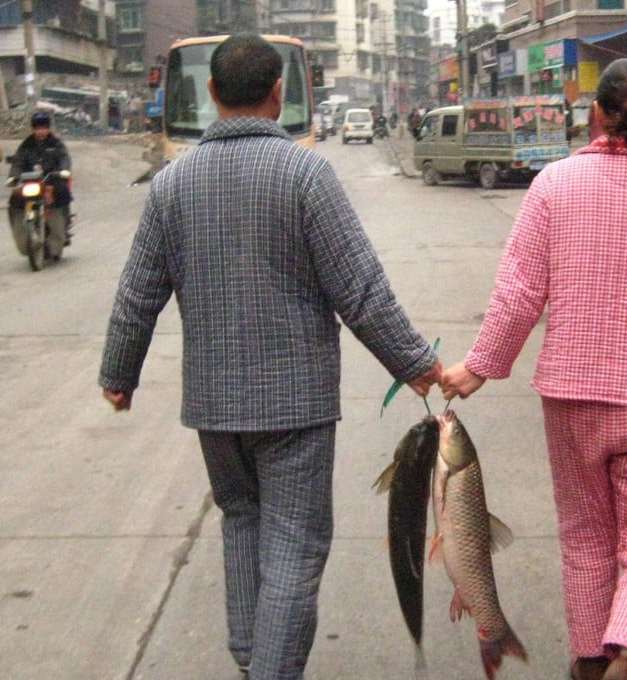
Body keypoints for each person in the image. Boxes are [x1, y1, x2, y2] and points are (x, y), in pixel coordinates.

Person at [97, 34, 441, 680]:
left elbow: (137, 292)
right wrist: (417, 364)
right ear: (279, 94)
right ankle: (269, 670)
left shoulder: (172, 184)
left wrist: (119, 374)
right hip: (296, 407)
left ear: (212, 95)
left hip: (215, 406)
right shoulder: (306, 175)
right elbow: (360, 290)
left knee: (241, 522)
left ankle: (252, 655)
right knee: (294, 547)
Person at [440, 58, 627, 680]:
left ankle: (587, 658)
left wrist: (480, 368)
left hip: (571, 396)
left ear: (596, 115)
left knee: (584, 535)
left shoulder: (553, 185)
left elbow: (520, 290)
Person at [8, 111, 73, 253]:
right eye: (38, 128)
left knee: (62, 192)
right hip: (31, 183)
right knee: (15, 199)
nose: (41, 131)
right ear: (34, 129)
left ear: (48, 128)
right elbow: (18, 162)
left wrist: (64, 170)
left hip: (51, 181)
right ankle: (22, 238)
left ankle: (64, 225)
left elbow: (64, 157)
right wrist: (14, 176)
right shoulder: (26, 145)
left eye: (44, 128)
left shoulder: (56, 144)